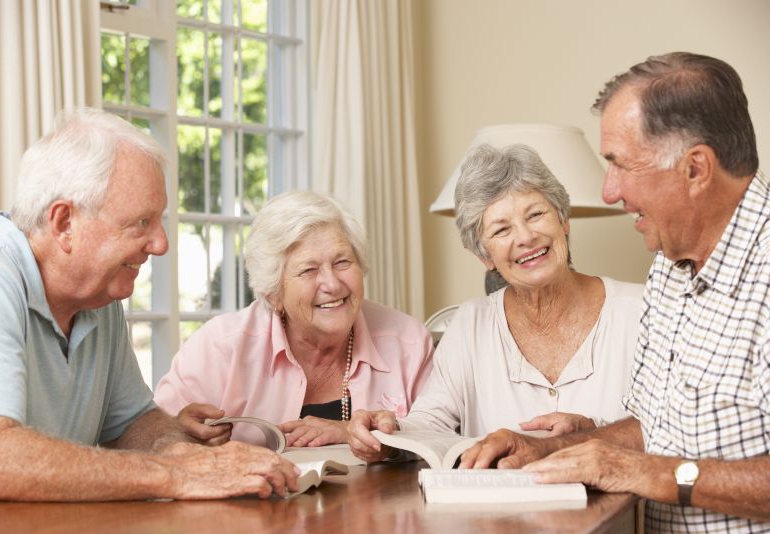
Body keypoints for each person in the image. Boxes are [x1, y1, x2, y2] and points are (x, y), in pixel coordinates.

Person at [456, 52, 770, 531]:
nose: (608, 191)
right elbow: (654, 426)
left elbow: (649, 465)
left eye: (620, 164)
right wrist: (553, 448)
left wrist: (647, 473)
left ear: (696, 168)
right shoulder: (668, 265)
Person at [0, 109, 298, 501]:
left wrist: (179, 449)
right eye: (141, 223)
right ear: (64, 223)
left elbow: (132, 423)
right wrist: (174, 473)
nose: (161, 244)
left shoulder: (98, 297)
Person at [347, 143, 644, 461]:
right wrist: (386, 434)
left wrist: (590, 431)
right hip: (499, 511)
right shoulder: (470, 323)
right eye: (502, 229)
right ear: (484, 255)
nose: (526, 237)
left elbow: (673, 427)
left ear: (564, 220)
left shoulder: (641, 310)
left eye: (536, 214)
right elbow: (430, 424)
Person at [153, 191, 434, 448]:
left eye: (342, 262)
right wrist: (180, 432)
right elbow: (152, 438)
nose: (332, 284)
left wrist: (350, 431)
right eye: (309, 270)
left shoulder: (407, 342)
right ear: (273, 293)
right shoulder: (220, 348)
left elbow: (440, 439)